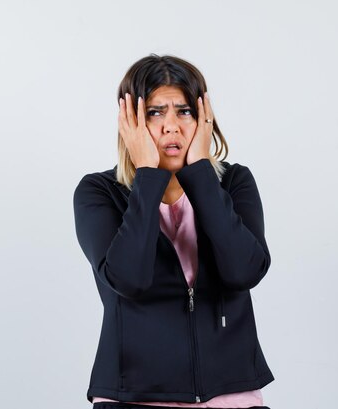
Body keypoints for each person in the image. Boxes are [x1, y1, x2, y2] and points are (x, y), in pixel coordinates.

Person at [73, 54, 274, 409]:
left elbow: (244, 271)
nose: (171, 126)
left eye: (183, 111)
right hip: (134, 397)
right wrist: (148, 177)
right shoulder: (98, 193)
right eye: (154, 112)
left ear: (203, 119)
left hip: (232, 395)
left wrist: (199, 174)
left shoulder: (234, 183)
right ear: (129, 122)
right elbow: (128, 279)